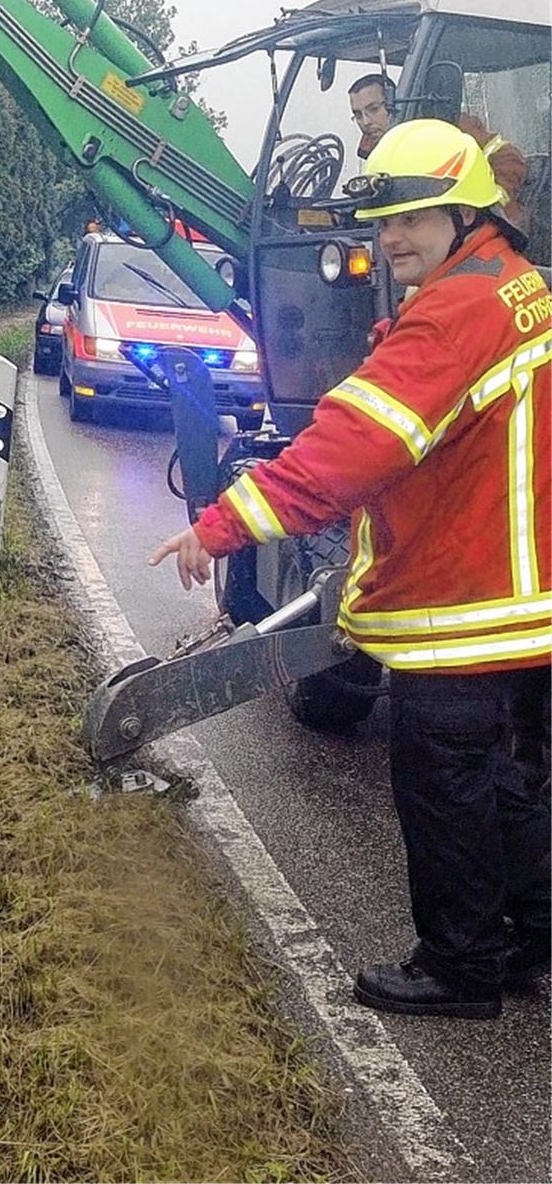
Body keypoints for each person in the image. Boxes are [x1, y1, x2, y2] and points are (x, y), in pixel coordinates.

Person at [151, 118, 551, 1019]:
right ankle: (528, 932)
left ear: (463, 215)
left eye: (412, 219)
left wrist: (223, 524)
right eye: (384, 220)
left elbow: (349, 452)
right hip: (524, 599)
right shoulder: (514, 284)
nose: (392, 237)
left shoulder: (455, 312)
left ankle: (461, 967)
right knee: (504, 781)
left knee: (445, 785)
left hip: (464, 602)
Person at [348, 72, 529, 225]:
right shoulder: (376, 151)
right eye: (357, 115)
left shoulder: (445, 127)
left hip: (474, 231)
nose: (365, 122)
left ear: (395, 103)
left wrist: (488, 207)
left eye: (373, 109)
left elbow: (508, 158)